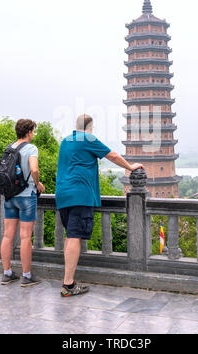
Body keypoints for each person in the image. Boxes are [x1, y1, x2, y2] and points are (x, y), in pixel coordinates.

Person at [55, 114, 143, 297]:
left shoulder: (66, 140)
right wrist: (130, 167)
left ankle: (68, 281)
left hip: (63, 194)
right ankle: (68, 284)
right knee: (74, 236)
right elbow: (112, 155)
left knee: (70, 236)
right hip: (79, 194)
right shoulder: (87, 138)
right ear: (90, 127)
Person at [0, 119, 45, 287]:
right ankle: (26, 276)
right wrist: (38, 183)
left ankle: (7, 273)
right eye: (33, 131)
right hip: (26, 196)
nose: (33, 134)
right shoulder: (31, 148)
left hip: (10, 196)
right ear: (28, 132)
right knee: (25, 237)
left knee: (7, 235)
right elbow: (34, 169)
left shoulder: (9, 147)